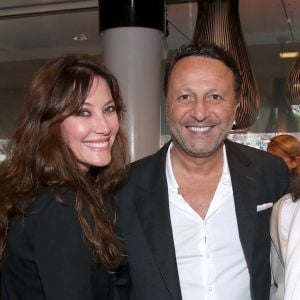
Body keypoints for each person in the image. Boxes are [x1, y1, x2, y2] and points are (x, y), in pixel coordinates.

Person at [115, 42, 291, 300]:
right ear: (167, 103)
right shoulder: (124, 188)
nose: (199, 112)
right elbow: (116, 286)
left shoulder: (270, 173)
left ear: (236, 105)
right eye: (185, 96)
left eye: (215, 97)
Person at [0, 54, 129, 299]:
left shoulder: (37, 191)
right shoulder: (62, 206)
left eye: (109, 109)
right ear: (51, 123)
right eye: (83, 112)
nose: (104, 126)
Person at [269, 137, 300, 299]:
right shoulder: (276, 191)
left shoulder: (290, 202)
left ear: (295, 161)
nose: (270, 165)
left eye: (276, 160)